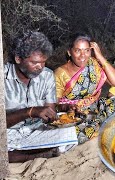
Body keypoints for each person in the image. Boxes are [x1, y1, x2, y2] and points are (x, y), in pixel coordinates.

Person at [5, 31, 75, 162]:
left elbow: (50, 114)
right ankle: (33, 156)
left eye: (43, 62)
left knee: (70, 133)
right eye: (34, 62)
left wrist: (64, 111)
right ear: (18, 58)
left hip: (35, 131)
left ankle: (21, 154)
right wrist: (30, 112)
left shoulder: (47, 76)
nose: (40, 67)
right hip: (7, 134)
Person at [54, 33, 115, 143]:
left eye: (87, 50)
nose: (83, 56)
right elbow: (54, 105)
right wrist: (69, 107)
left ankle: (98, 124)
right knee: (75, 134)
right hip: (73, 115)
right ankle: (100, 125)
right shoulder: (60, 73)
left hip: (94, 107)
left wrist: (100, 57)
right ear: (69, 52)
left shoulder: (94, 64)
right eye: (78, 51)